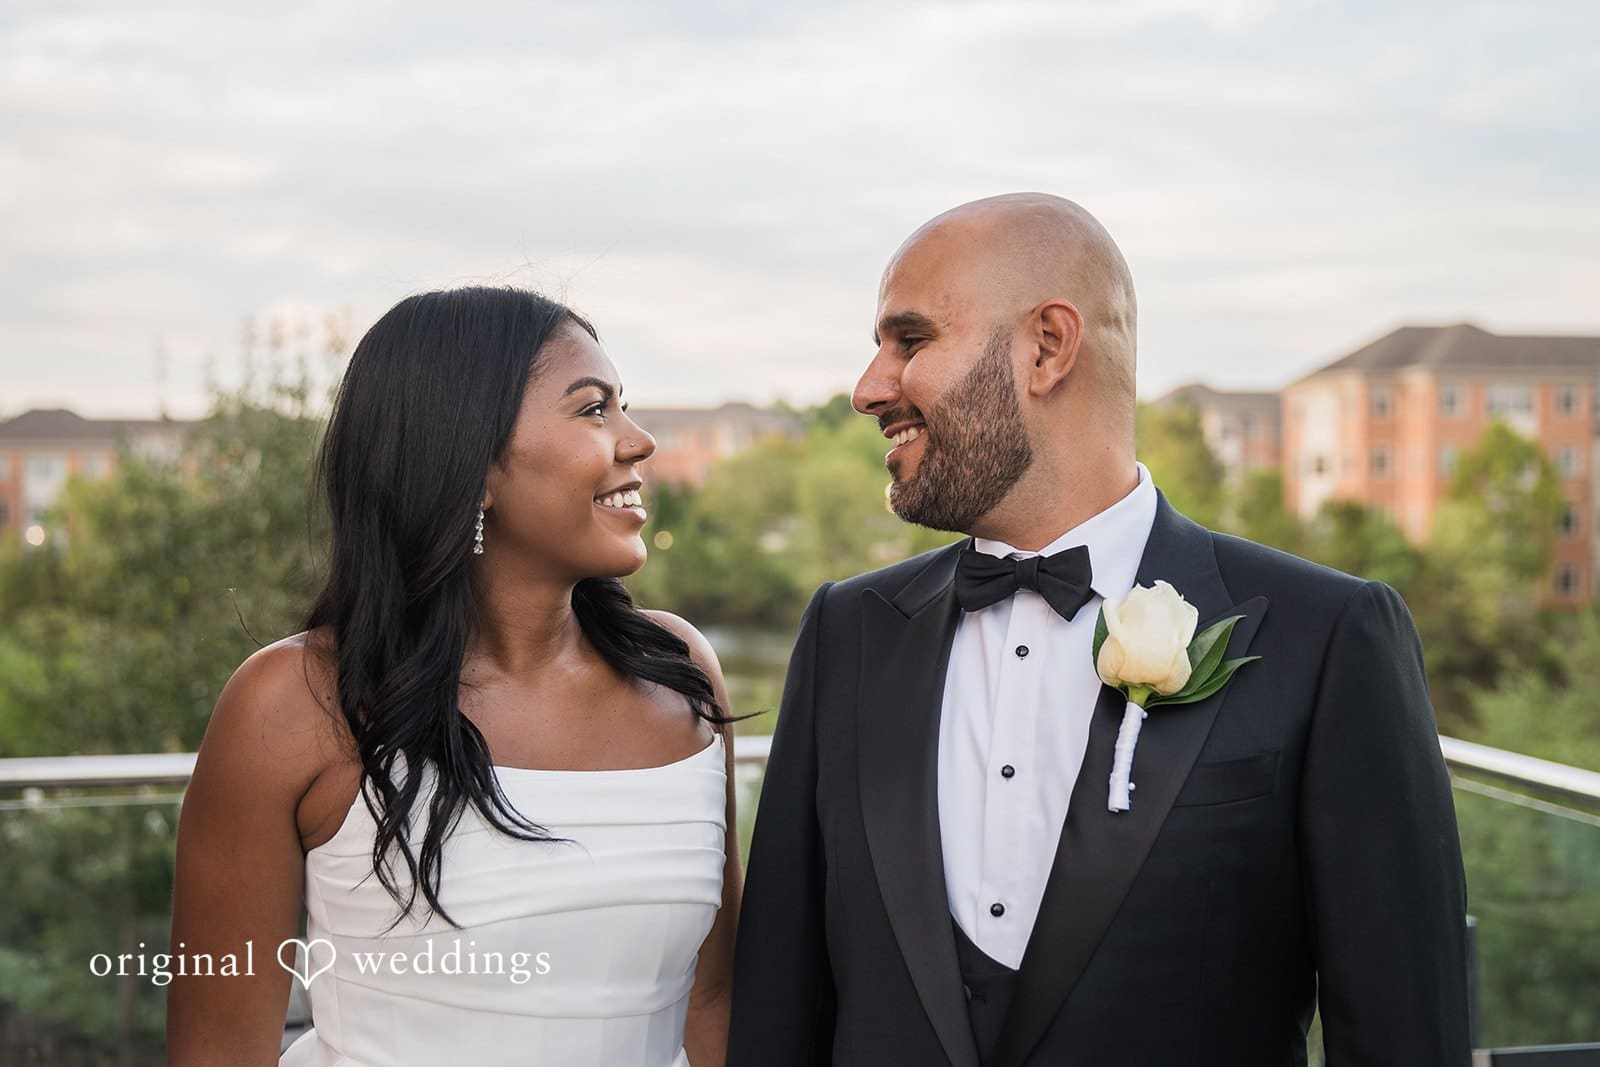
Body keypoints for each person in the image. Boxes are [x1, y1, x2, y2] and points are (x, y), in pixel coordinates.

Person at [728, 194, 1470, 1066]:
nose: (868, 388)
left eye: (911, 340)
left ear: (1047, 346)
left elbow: (1401, 1034)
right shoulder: (847, 633)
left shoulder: (1330, 636)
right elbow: (777, 1006)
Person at [168, 287, 741, 1067]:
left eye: (624, 407)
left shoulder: (681, 676)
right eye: (593, 409)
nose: (638, 441)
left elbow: (713, 1003)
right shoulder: (292, 703)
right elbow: (217, 1053)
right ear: (469, 463)